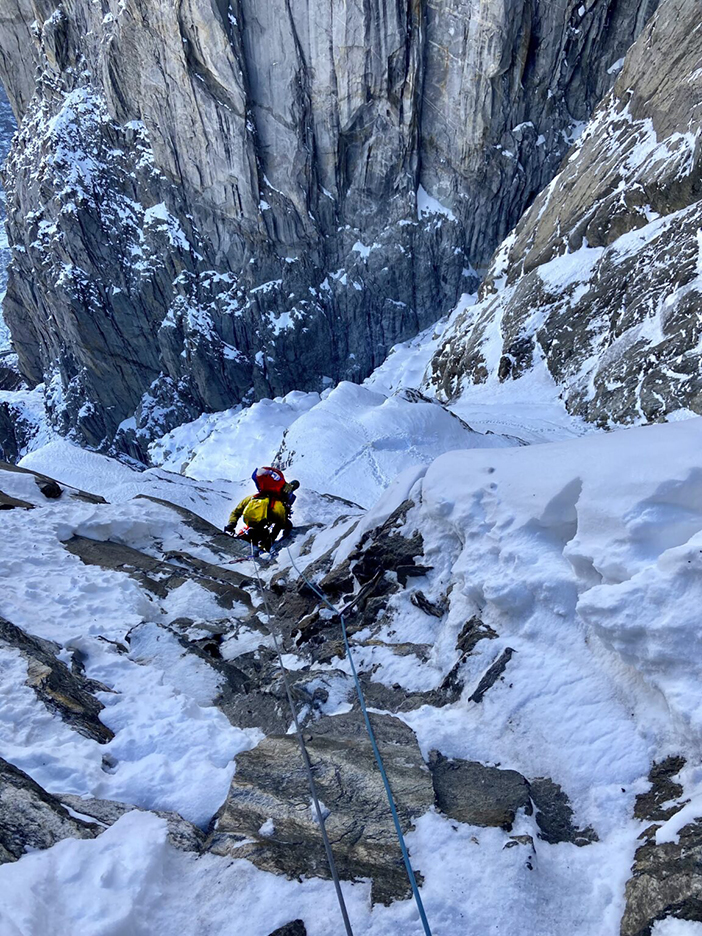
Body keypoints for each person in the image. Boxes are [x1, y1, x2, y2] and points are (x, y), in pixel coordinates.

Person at [225, 467, 300, 553]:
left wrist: (231, 525)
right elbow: (280, 524)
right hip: (264, 533)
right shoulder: (278, 505)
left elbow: (236, 512)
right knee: (288, 526)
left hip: (248, 531)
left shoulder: (251, 498)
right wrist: (271, 539)